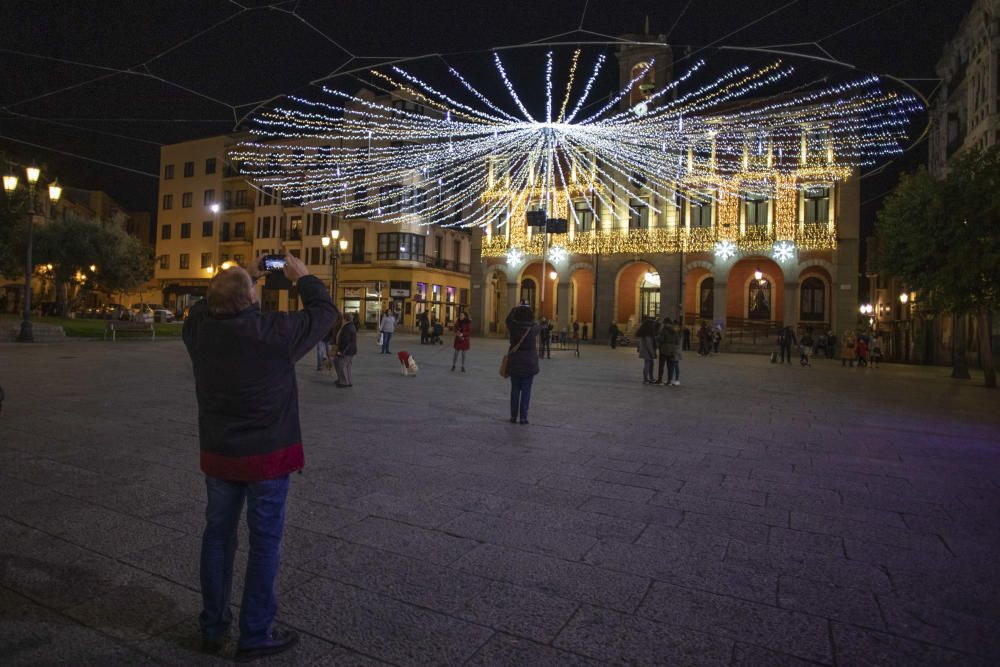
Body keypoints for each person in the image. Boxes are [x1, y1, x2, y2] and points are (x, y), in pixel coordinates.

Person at [182, 254, 336, 661]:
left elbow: (202, 306)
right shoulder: (274, 331)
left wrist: (241, 276)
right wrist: (303, 278)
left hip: (219, 454)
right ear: (251, 299)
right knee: (265, 542)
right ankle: (255, 632)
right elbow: (324, 314)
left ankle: (212, 627)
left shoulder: (198, 331)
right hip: (267, 456)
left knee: (217, 537)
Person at [506, 305, 540, 424]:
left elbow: (508, 320)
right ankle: (523, 417)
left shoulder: (513, 328)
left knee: (514, 390)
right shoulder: (533, 329)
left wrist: (514, 309)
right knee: (526, 391)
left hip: (515, 363)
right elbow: (537, 324)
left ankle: (513, 416)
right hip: (529, 364)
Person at [334, 311, 358, 387]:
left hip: (347, 351)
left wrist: (342, 351)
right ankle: (346, 381)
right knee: (346, 366)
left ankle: (343, 382)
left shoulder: (348, 327)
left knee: (341, 365)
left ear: (345, 319)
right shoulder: (349, 326)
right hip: (350, 350)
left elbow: (347, 341)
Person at [656, 317, 679, 385]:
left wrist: (657, 339)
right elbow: (677, 341)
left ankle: (660, 380)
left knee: (661, 365)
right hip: (672, 350)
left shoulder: (664, 330)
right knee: (670, 366)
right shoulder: (674, 331)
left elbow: (661, 339)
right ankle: (669, 380)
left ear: (665, 323)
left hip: (664, 349)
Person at [636, 318, 658, 384]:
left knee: (650, 364)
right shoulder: (648, 334)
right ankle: (646, 379)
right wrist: (652, 353)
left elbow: (640, 343)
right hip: (647, 352)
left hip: (644, 351)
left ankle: (650, 378)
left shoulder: (643, 333)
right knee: (648, 364)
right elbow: (649, 345)